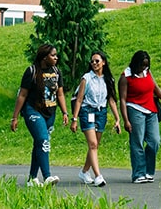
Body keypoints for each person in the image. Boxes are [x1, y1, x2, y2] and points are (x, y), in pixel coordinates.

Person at [10, 44, 69, 186]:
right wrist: (15, 117)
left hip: (50, 112)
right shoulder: (32, 71)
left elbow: (60, 93)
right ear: (44, 57)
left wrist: (65, 112)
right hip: (33, 111)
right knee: (43, 140)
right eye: (53, 55)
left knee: (39, 143)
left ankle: (32, 178)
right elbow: (22, 94)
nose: (56, 57)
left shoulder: (56, 71)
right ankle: (47, 176)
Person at [119, 50, 161, 183]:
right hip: (135, 109)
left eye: (146, 65)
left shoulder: (147, 71)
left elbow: (154, 86)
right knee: (137, 141)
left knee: (154, 141)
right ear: (135, 64)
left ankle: (148, 171)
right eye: (141, 65)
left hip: (151, 110)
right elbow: (123, 100)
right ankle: (138, 174)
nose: (144, 68)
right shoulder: (126, 76)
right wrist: (126, 120)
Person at [72, 51, 121, 187]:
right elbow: (79, 99)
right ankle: (98, 176)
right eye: (92, 61)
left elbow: (111, 100)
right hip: (87, 110)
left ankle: (84, 171)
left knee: (95, 145)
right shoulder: (86, 78)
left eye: (97, 61)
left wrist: (118, 119)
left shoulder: (108, 80)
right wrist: (74, 118)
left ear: (103, 62)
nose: (94, 63)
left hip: (101, 112)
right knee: (93, 144)